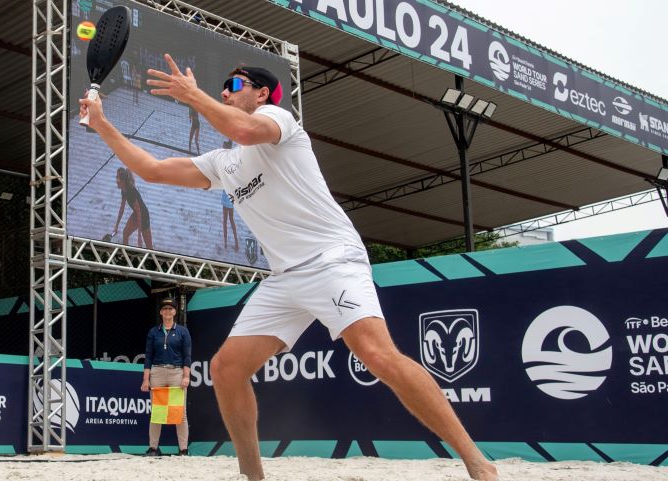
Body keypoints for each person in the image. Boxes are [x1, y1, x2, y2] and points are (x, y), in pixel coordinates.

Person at [79, 55, 499, 481]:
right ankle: (253, 477)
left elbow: (242, 128)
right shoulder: (225, 163)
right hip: (285, 278)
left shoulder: (279, 121)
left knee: (377, 355)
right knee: (226, 370)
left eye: (234, 83)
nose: (226, 90)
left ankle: (476, 462)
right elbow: (151, 170)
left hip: (332, 258)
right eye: (223, 86)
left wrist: (194, 94)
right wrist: (102, 125)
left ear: (261, 93)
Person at [141, 297, 192, 456]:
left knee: (180, 412)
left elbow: (187, 356)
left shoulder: (183, 331)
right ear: (161, 312)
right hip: (157, 372)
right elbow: (148, 357)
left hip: (177, 373)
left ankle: (183, 449)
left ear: (175, 312)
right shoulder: (153, 331)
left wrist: (186, 376)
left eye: (171, 308)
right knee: (157, 411)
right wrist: (146, 379)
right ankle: (153, 448)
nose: (168, 311)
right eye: (165, 309)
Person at [113, 167, 154, 249]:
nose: (116, 180)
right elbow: (121, 209)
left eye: (118, 178)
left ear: (123, 180)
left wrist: (139, 236)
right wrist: (116, 225)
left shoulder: (131, 192)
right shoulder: (124, 191)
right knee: (125, 233)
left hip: (143, 216)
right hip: (136, 214)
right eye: (116, 177)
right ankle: (126, 256)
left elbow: (140, 213)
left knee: (149, 246)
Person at [220, 139, 238, 252]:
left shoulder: (227, 160)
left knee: (227, 220)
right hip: (228, 194)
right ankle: (231, 243)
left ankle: (228, 243)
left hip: (228, 194)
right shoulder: (230, 160)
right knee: (229, 220)